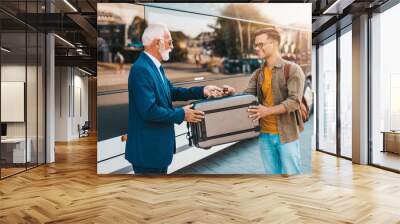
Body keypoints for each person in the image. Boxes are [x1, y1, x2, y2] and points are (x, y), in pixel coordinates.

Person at [125, 24, 235, 175]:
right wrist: (182, 114)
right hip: (148, 154)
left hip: (156, 151)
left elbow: (172, 92)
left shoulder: (154, 67)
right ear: (157, 43)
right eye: (169, 42)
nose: (172, 46)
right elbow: (149, 111)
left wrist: (203, 91)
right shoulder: (141, 69)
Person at [245, 28, 305, 176]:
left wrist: (267, 111)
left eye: (261, 44)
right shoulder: (258, 73)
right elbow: (248, 96)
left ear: (275, 43)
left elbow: (294, 102)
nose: (257, 48)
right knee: (272, 177)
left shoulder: (292, 70)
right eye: (256, 45)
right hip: (264, 135)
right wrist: (232, 93)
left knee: (292, 176)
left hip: (286, 135)